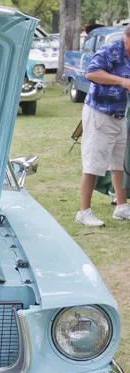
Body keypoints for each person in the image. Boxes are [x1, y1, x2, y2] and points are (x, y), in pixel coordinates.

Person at [76, 26, 130, 226]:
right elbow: (91, 73)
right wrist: (122, 81)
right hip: (99, 113)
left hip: (119, 115)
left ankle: (121, 206)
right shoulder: (111, 49)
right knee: (93, 163)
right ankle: (84, 211)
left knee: (119, 163)